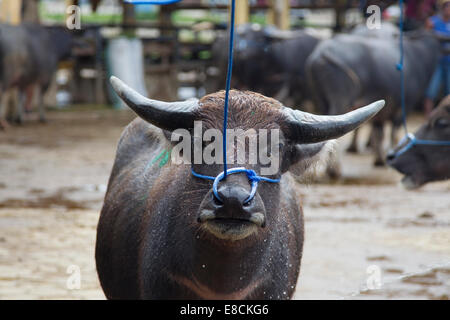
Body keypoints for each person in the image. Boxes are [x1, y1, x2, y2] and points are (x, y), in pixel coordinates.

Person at [424, 0, 450, 116]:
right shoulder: (432, 22)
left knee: (448, 92)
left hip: (449, 63)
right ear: (443, 8)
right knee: (431, 91)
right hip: (436, 62)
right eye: (448, 7)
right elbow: (426, 39)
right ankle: (428, 117)